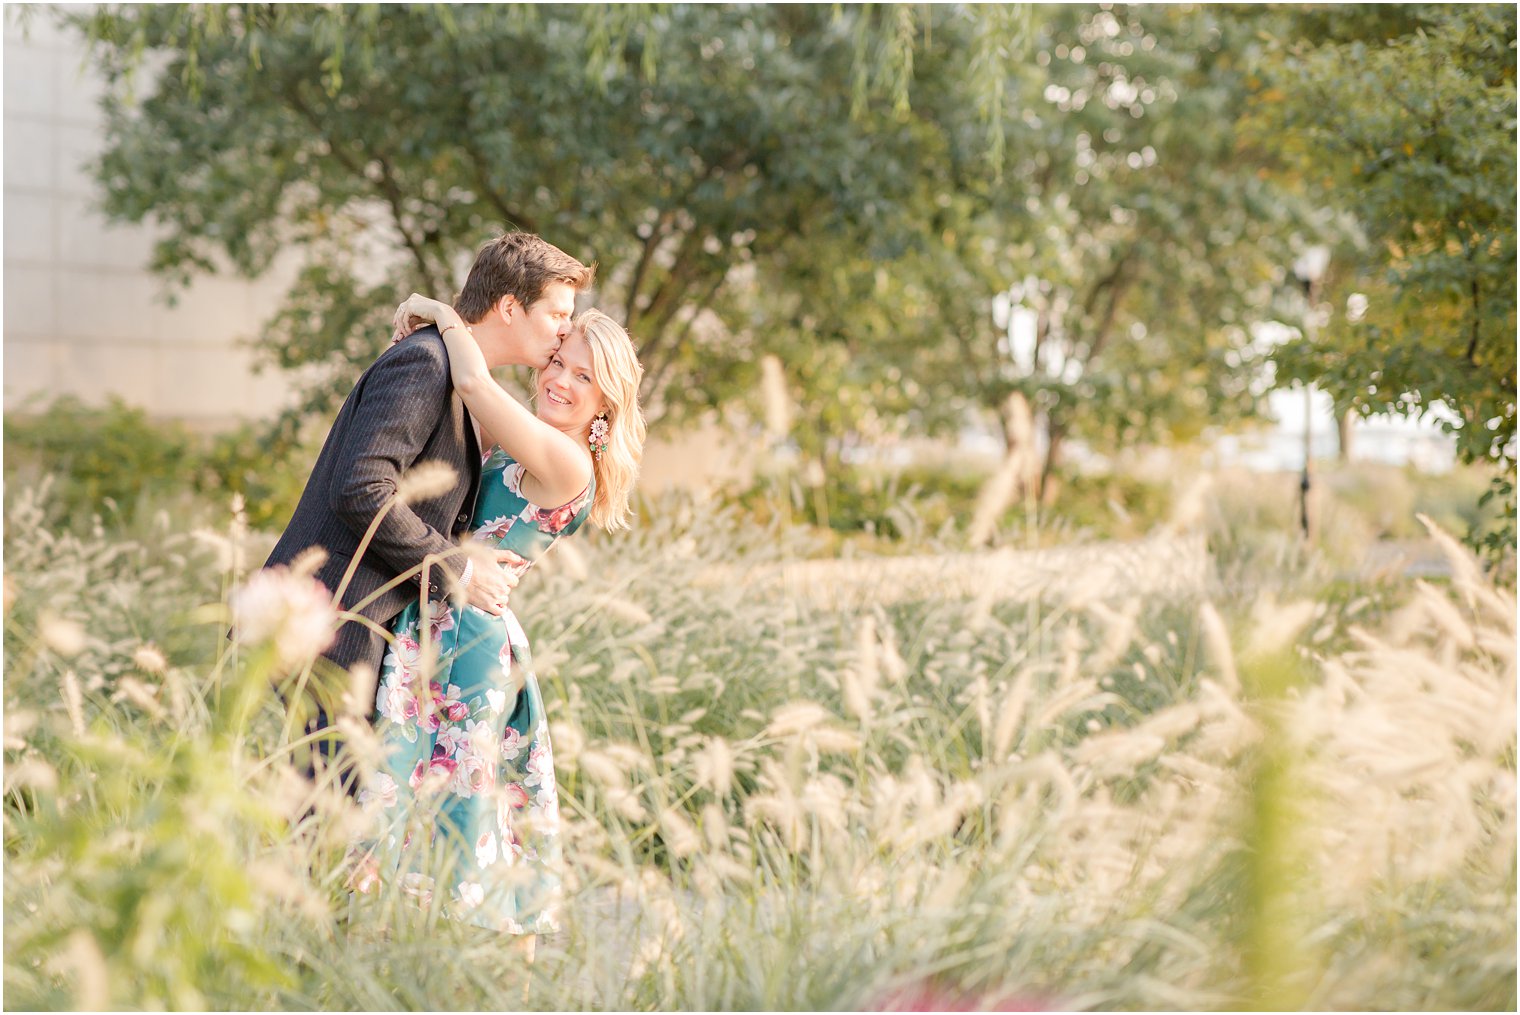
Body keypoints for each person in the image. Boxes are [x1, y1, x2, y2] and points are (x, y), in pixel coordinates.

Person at [349, 294, 645, 945]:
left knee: (452, 804)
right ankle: (388, 952)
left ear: (605, 405)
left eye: (582, 377)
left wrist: (437, 311)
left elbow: (475, 380)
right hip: (439, 621)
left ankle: (497, 962)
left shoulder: (567, 460)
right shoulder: (531, 440)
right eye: (558, 362)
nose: (559, 380)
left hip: (465, 642)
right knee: (401, 792)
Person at [260, 232, 595, 790]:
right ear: (511, 307)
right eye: (558, 313)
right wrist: (459, 567)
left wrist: (439, 312)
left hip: (400, 637)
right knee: (328, 823)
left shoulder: (461, 380)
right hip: (341, 624)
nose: (564, 330)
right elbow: (363, 487)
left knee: (352, 827)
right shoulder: (426, 363)